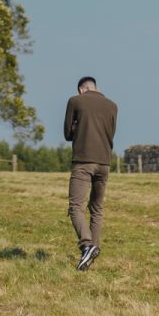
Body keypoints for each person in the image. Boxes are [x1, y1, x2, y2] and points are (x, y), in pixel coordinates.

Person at [63, 75, 118, 271]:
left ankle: (87, 244)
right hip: (104, 162)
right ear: (95, 87)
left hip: (83, 161)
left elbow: (67, 133)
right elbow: (111, 134)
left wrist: (78, 127)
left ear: (81, 90)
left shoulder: (75, 101)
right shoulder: (112, 106)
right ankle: (92, 252)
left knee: (75, 206)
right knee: (97, 208)